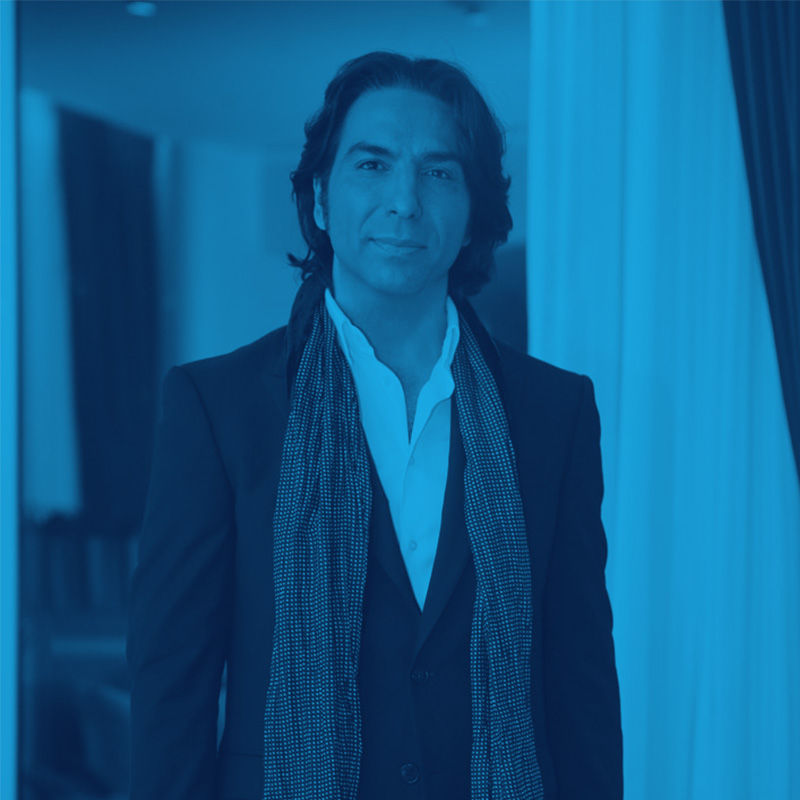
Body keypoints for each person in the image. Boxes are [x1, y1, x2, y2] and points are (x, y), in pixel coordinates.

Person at [127, 51, 623, 800]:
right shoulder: (216, 406)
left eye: (439, 172)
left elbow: (581, 684)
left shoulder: (554, 412)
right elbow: (172, 684)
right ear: (321, 198)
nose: (404, 201)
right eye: (372, 165)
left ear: (473, 212)